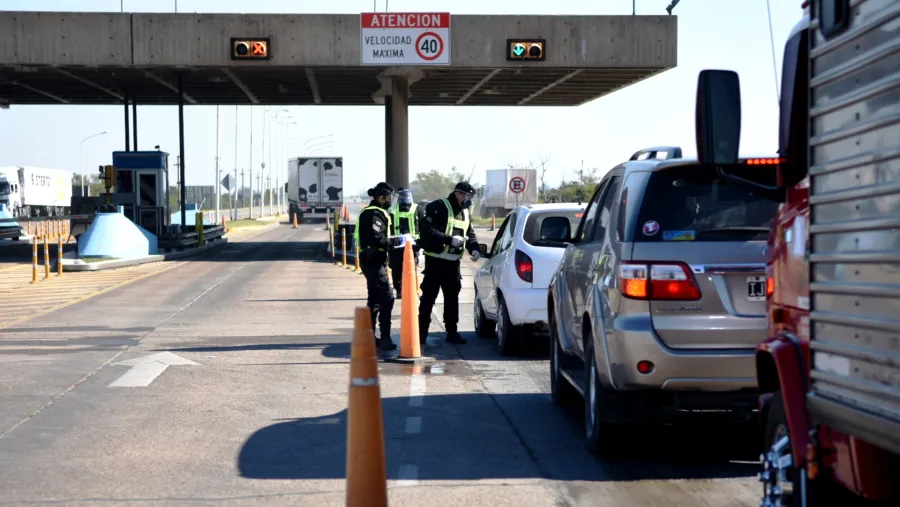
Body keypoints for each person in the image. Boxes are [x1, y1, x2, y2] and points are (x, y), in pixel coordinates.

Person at [418, 181, 481, 345]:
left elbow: (470, 233)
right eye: (467, 196)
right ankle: (421, 333)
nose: (469, 200)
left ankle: (452, 333)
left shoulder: (465, 212)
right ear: (459, 194)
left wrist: (474, 248)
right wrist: (449, 239)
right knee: (428, 298)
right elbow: (428, 232)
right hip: (435, 262)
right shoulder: (438, 207)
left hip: (452, 264)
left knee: (452, 299)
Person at [354, 182, 402, 351]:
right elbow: (377, 238)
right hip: (372, 260)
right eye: (389, 197)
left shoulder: (377, 212)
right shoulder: (374, 213)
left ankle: (369, 336)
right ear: (382, 197)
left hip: (374, 260)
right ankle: (385, 337)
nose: (390, 200)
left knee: (374, 299)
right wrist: (396, 241)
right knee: (387, 297)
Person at [388, 188, 425, 298]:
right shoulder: (392, 210)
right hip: (396, 244)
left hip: (412, 245)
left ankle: (410, 289)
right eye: (402, 196)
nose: (404, 199)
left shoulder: (416, 208)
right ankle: (399, 291)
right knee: (396, 269)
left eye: (406, 196)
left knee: (411, 268)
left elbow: (422, 226)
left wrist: (421, 242)